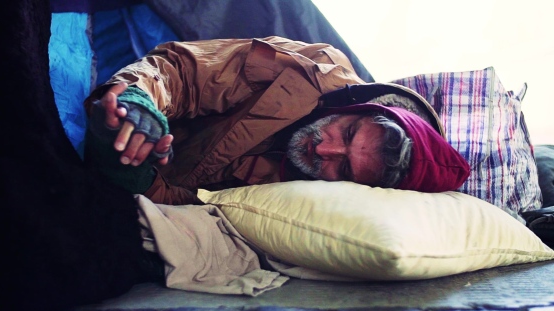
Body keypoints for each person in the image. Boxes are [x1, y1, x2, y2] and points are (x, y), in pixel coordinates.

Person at [84, 36, 470, 205]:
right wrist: (137, 99)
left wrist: (141, 181)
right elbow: (185, 74)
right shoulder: (307, 69)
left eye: (345, 168)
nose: (324, 147)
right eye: (347, 131)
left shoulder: (309, 211)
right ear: (358, 107)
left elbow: (202, 210)